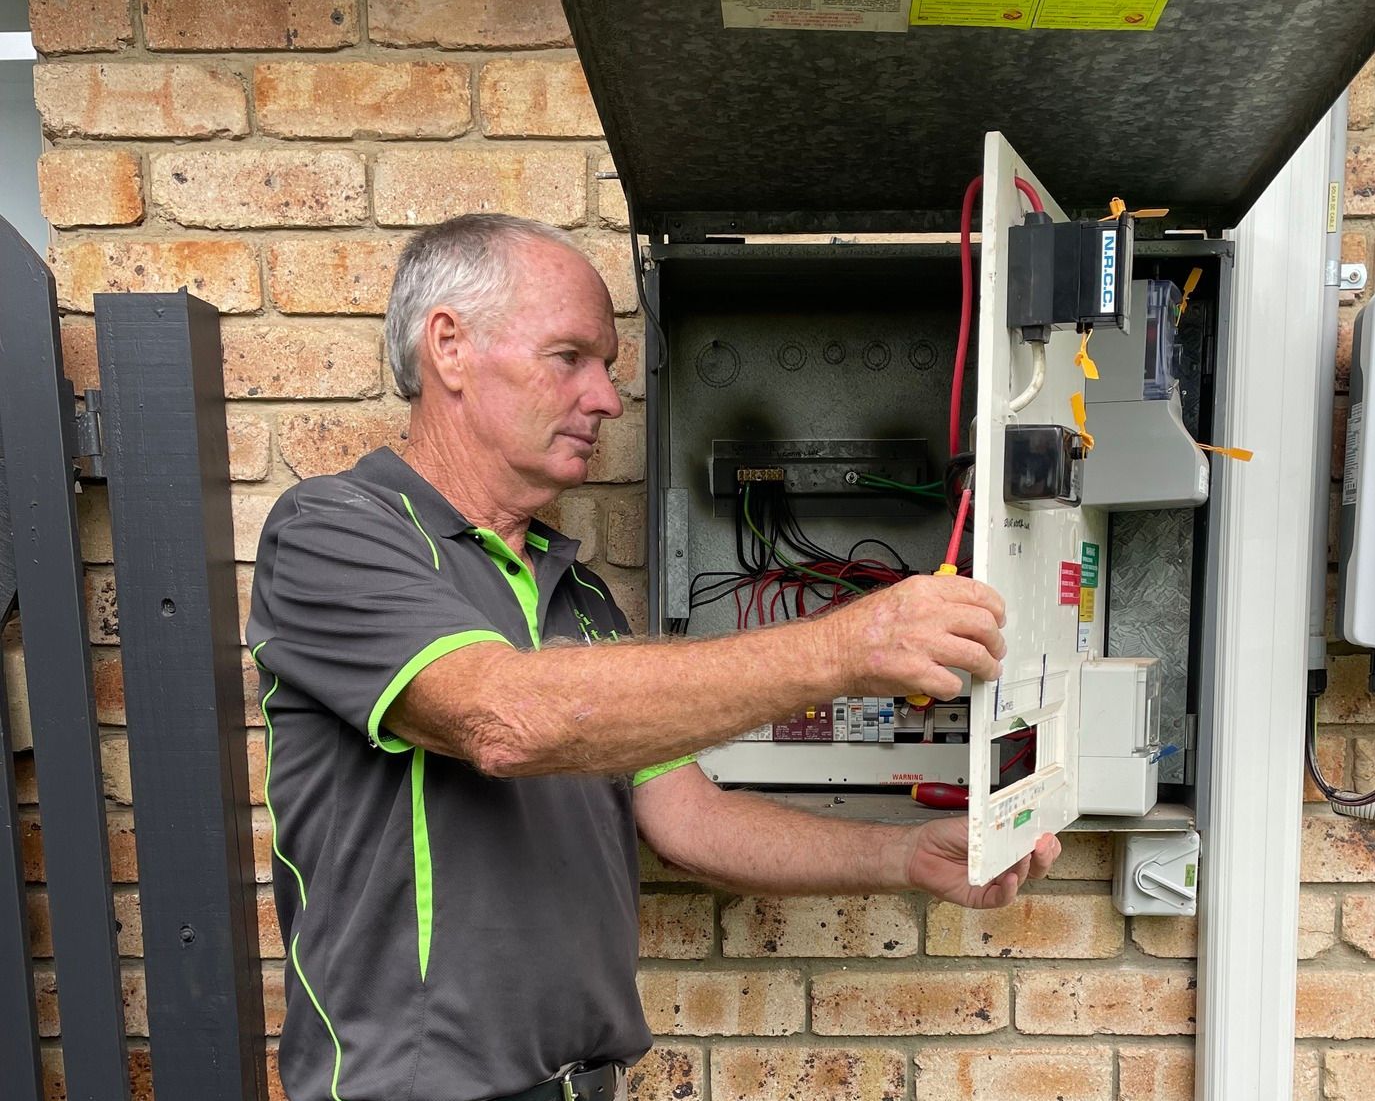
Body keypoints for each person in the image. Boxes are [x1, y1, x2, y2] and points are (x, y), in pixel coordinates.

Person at [246, 213, 1061, 1101]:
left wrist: (906, 859)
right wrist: (850, 644)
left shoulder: (581, 596)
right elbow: (503, 718)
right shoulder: (334, 532)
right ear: (449, 346)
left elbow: (688, 819)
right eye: (572, 358)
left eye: (609, 368)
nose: (605, 397)